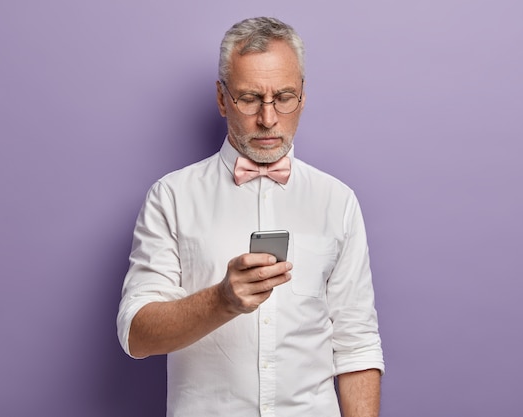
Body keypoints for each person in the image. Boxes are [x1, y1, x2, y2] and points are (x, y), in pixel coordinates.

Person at [117, 16, 384, 417]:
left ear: (303, 96)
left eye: (284, 96)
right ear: (223, 99)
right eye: (249, 98)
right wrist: (221, 300)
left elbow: (357, 345)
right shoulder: (170, 197)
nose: (268, 118)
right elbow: (137, 335)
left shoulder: (337, 201)